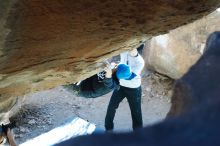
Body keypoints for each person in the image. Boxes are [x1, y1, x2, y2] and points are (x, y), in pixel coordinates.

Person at [104, 47, 145, 131]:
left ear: (136, 49)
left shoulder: (140, 62)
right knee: (111, 107)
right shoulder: (124, 50)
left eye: (132, 48)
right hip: (121, 86)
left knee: (136, 112)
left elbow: (128, 76)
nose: (130, 49)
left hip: (134, 89)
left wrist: (111, 72)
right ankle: (108, 130)